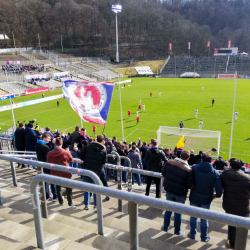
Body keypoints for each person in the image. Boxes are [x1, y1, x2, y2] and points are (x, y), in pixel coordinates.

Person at [188, 153, 223, 242]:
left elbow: (189, 182)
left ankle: (192, 234)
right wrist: (216, 195)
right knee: (204, 219)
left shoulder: (194, 168)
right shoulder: (215, 172)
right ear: (211, 161)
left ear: (202, 159)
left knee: (193, 217)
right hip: (206, 199)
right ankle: (203, 237)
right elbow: (219, 188)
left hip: (195, 197)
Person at [162, 150, 193, 235]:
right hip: (180, 194)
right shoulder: (188, 170)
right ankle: (177, 231)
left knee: (168, 210)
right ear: (188, 158)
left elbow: (163, 173)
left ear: (180, 155)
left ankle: (165, 228)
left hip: (169, 190)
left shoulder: (169, 162)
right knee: (178, 212)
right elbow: (189, 185)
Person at [221, 158, 250, 249]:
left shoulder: (224, 175)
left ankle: (232, 243)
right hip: (243, 206)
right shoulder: (247, 178)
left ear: (231, 166)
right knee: (242, 226)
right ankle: (240, 244)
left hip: (229, 205)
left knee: (232, 224)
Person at [77, 134, 106, 211]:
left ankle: (86, 205)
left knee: (86, 188)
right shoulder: (103, 150)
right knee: (95, 189)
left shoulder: (88, 146)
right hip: (95, 172)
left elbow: (81, 156)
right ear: (102, 141)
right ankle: (96, 205)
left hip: (86, 170)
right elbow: (104, 162)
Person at [47, 138, 76, 208]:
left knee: (58, 187)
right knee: (69, 188)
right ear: (62, 143)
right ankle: (70, 202)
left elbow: (48, 163)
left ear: (55, 143)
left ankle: (61, 201)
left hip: (55, 173)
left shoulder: (50, 153)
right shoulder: (65, 152)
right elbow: (71, 159)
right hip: (65, 172)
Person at [35, 133, 57, 201]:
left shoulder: (37, 144)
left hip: (41, 165)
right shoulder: (44, 146)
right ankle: (55, 196)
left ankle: (46, 196)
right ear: (44, 138)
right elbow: (52, 154)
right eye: (48, 138)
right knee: (52, 181)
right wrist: (54, 145)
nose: (50, 140)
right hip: (47, 165)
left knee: (45, 181)